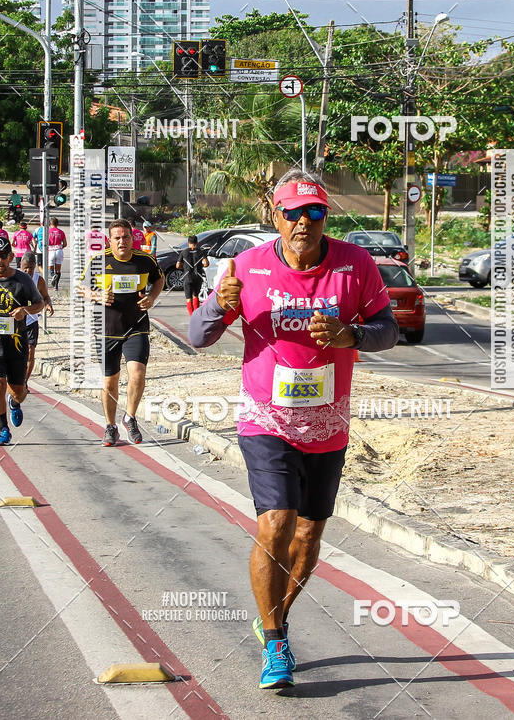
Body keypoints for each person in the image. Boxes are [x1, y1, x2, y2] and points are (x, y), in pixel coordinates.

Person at [189, 170, 400, 688]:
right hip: (266, 418)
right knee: (277, 523)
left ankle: (274, 619)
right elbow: (198, 336)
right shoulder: (247, 266)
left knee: (308, 537)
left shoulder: (356, 264)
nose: (303, 222)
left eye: (315, 212)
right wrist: (221, 304)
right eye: (292, 212)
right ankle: (276, 642)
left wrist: (352, 335)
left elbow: (389, 330)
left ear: (326, 216)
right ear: (275, 216)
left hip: (328, 423)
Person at [79, 218, 164, 447]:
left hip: (136, 326)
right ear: (110, 240)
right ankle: (110, 426)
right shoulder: (99, 261)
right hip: (107, 330)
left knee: (137, 373)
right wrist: (97, 296)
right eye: (117, 238)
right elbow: (81, 287)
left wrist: (152, 297)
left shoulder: (144, 261)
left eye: (126, 237)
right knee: (110, 382)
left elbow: (159, 279)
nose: (122, 241)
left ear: (132, 238)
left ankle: (130, 417)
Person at [0, 234, 44, 444]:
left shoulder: (22, 280)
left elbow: (39, 303)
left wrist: (25, 310)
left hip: (16, 342)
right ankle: (3, 428)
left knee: (17, 391)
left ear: (10, 257)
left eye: (3, 256)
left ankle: (15, 403)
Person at [19, 252, 53, 389]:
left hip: (31, 321)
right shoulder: (15, 277)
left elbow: (46, 297)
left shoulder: (39, 280)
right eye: (25, 268)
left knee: (30, 352)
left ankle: (24, 382)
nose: (28, 271)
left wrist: (48, 305)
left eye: (31, 268)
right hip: (16, 322)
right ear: (20, 265)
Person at [177, 235, 208, 316]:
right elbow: (206, 263)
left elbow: (177, 265)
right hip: (198, 276)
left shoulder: (184, 252)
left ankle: (192, 315)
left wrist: (184, 268)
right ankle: (196, 315)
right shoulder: (201, 252)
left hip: (187, 276)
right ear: (197, 243)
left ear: (188, 243)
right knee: (195, 295)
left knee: (188, 298)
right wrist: (201, 266)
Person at [47, 217, 67, 289]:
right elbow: (65, 244)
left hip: (51, 250)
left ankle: (52, 276)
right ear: (57, 223)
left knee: (50, 267)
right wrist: (60, 247)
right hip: (59, 250)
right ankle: (56, 286)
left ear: (50, 223)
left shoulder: (47, 231)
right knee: (58, 269)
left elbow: (45, 242)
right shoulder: (61, 232)